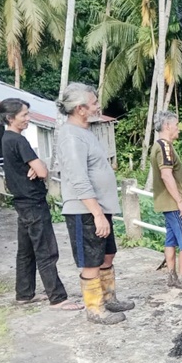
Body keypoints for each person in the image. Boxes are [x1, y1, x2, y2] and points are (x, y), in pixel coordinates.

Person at [56, 83, 134, 324]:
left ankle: (109, 298)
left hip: (100, 208)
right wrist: (97, 214)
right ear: (80, 109)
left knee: (107, 254)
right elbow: (78, 179)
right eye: (94, 103)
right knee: (91, 261)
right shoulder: (70, 135)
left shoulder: (85, 132)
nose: (98, 106)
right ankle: (95, 308)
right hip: (85, 211)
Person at [0, 98, 83, 311]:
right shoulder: (19, 140)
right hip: (33, 203)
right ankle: (57, 297)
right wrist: (38, 167)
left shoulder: (5, 139)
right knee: (46, 250)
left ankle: (24, 294)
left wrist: (37, 167)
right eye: (24, 115)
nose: (28, 119)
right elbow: (44, 172)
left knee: (25, 251)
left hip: (21, 202)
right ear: (10, 118)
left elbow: (37, 169)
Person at [150, 111, 182, 291]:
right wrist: (180, 201)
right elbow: (166, 175)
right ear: (167, 126)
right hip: (174, 203)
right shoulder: (165, 147)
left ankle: (171, 275)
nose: (178, 128)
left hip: (167, 203)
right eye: (176, 125)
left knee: (171, 239)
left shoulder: (157, 146)